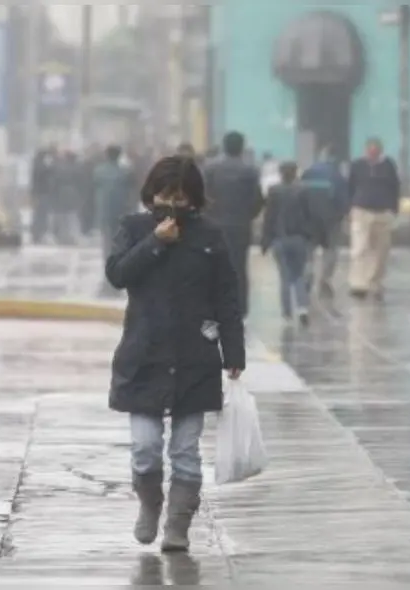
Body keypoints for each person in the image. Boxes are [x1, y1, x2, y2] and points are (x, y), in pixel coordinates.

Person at [104, 155, 245, 553]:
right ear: (151, 195)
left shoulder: (209, 236)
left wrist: (233, 351)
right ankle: (150, 504)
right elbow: (117, 274)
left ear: (194, 199)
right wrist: (155, 243)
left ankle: (178, 526)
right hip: (143, 357)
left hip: (194, 358)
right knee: (145, 448)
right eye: (164, 197)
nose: (171, 205)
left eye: (180, 199)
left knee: (185, 451)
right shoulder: (134, 228)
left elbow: (227, 296)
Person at [204, 131, 264, 316]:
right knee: (239, 267)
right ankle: (240, 309)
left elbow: (203, 198)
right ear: (242, 147)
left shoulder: (211, 169)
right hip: (240, 226)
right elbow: (258, 200)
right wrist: (247, 216)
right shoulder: (251, 171)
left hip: (215, 226)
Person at [261, 161, 323, 325]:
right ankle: (302, 308)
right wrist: (314, 237)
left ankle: (287, 313)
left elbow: (269, 217)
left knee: (285, 277)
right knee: (298, 275)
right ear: (296, 173)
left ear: (280, 173)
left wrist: (265, 241)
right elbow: (312, 215)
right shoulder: (305, 190)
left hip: (280, 239)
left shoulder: (274, 191)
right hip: (299, 239)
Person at [347, 137, 401, 300]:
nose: (372, 155)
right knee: (359, 249)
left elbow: (395, 187)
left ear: (380, 152)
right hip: (361, 211)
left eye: (375, 152)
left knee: (381, 251)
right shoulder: (357, 165)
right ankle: (359, 284)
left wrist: (394, 209)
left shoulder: (388, 166)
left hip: (382, 212)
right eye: (370, 152)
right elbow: (350, 186)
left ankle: (375, 282)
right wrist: (349, 208)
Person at [301, 144, 350, 297]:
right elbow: (342, 199)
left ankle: (308, 272)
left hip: (309, 219)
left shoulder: (308, 173)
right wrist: (343, 215)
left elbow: (300, 194)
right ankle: (325, 279)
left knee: (309, 249)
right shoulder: (337, 175)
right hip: (331, 220)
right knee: (331, 250)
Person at [29, 144, 57, 244]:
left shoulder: (36, 164)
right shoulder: (41, 166)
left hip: (38, 193)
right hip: (42, 193)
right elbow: (47, 172)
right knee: (41, 215)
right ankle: (38, 235)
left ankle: (37, 235)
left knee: (38, 214)